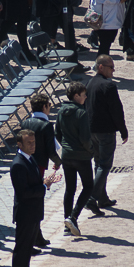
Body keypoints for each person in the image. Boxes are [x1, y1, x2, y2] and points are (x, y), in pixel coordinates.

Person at [10, 130, 59, 267]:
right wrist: (44, 186)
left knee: (27, 251)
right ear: (19, 144)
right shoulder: (18, 164)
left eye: (34, 142)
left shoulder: (30, 159)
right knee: (22, 251)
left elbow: (35, 185)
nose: (33, 145)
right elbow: (24, 193)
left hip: (33, 213)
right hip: (25, 214)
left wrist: (47, 183)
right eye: (29, 143)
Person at [56, 81, 97, 236]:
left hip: (66, 156)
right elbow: (86, 139)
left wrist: (66, 147)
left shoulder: (61, 111)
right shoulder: (82, 113)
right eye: (83, 94)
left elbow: (57, 134)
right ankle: (73, 217)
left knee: (70, 189)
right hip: (81, 156)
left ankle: (67, 225)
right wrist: (91, 151)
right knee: (88, 186)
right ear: (76, 95)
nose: (86, 96)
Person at [86, 55, 127, 209]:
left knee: (98, 164)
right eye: (111, 67)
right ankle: (92, 197)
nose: (113, 70)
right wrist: (123, 131)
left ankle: (102, 199)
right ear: (101, 67)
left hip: (92, 131)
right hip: (106, 132)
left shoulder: (90, 83)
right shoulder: (108, 86)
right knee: (104, 165)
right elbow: (117, 111)